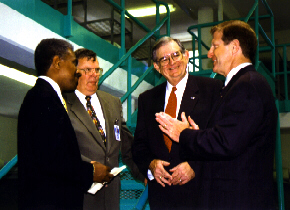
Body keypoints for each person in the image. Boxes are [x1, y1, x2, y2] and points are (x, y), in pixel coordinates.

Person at [156, 20, 277, 209]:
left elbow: (226, 142)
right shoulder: (236, 86)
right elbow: (229, 137)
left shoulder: (247, 85)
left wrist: (183, 133)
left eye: (215, 46)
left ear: (235, 47)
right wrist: (196, 134)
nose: (209, 53)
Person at [18, 39, 113, 209]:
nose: (77, 71)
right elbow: (50, 160)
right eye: (74, 63)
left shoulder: (49, 97)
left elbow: (54, 152)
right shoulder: (42, 99)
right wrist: (90, 172)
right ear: (57, 63)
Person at [132, 36, 223, 209]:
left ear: (186, 56)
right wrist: (151, 165)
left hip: (201, 193)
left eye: (175, 55)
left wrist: (195, 166)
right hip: (162, 197)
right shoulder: (147, 99)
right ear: (157, 67)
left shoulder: (213, 89)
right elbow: (139, 146)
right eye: (164, 59)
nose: (171, 62)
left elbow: (222, 140)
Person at [64, 48, 145, 210]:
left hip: (111, 197)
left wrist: (144, 174)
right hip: (79, 195)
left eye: (97, 70)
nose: (94, 75)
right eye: (87, 70)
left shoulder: (113, 102)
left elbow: (128, 146)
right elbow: (60, 152)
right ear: (74, 72)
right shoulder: (63, 104)